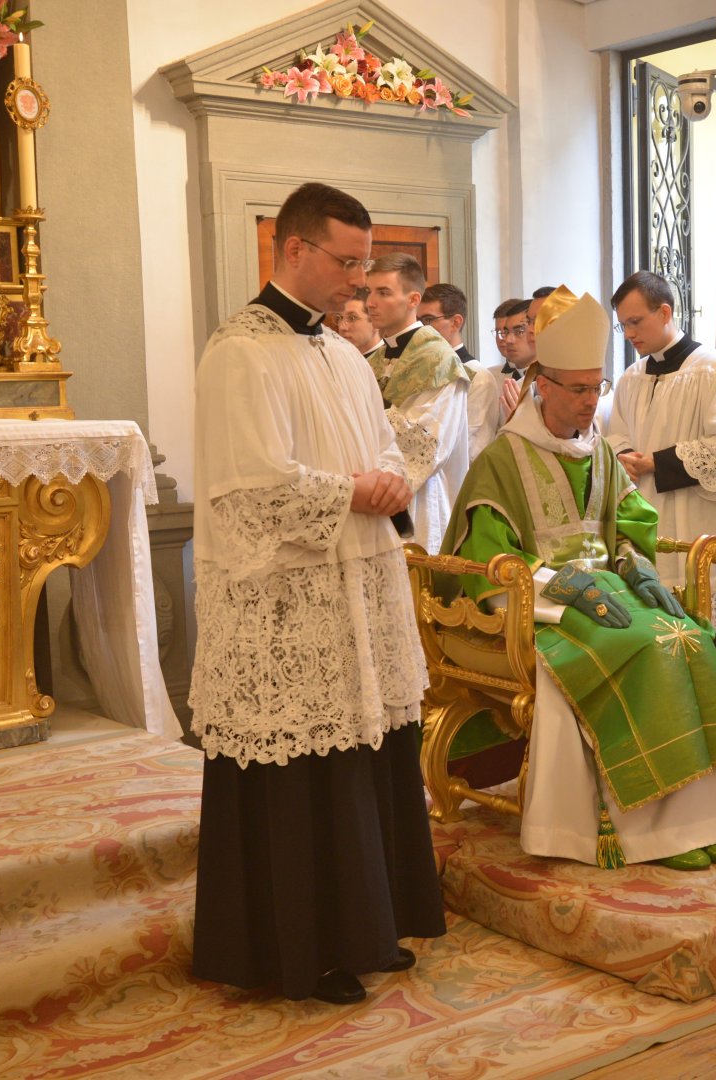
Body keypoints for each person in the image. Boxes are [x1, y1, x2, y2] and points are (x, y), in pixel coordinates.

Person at [188, 182, 445, 1004]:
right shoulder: (238, 351)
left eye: (366, 266)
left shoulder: (342, 354)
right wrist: (352, 492)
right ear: (293, 248)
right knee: (301, 772)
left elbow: (385, 445)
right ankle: (303, 951)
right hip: (284, 605)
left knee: (361, 755)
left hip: (356, 591)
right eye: (347, 263)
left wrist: (393, 477)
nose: (359, 283)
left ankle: (369, 925)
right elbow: (250, 488)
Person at [441, 286, 716, 871]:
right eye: (579, 389)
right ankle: (645, 827)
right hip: (541, 608)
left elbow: (628, 526)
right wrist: (564, 587)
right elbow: (488, 562)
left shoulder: (599, 454)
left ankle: (699, 818)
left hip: (610, 594)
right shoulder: (502, 461)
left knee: (687, 638)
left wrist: (636, 566)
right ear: (543, 385)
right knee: (641, 647)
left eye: (597, 387)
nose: (592, 402)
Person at [604, 270, 716, 637]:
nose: (629, 334)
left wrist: (656, 462)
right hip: (647, 517)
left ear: (665, 312)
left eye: (635, 322)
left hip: (698, 517)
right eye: (623, 325)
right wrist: (623, 456)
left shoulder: (714, 368)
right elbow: (616, 434)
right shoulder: (631, 378)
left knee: (704, 630)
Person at [365, 253, 469, 553]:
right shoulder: (371, 361)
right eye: (369, 292)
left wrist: (365, 425)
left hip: (420, 503)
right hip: (369, 502)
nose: (370, 302)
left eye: (383, 292)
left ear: (413, 300)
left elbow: (427, 444)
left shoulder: (438, 360)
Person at [421, 282, 501, 462]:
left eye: (428, 320)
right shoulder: (419, 371)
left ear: (455, 322)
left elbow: (475, 448)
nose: (420, 328)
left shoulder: (478, 376)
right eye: (418, 320)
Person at [492, 298, 531, 423]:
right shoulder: (489, 377)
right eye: (501, 332)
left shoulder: (552, 379)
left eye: (518, 331)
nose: (506, 339)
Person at [337, 287, 382, 359]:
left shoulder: (393, 360)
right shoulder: (339, 358)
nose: (342, 327)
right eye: (340, 318)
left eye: (352, 318)